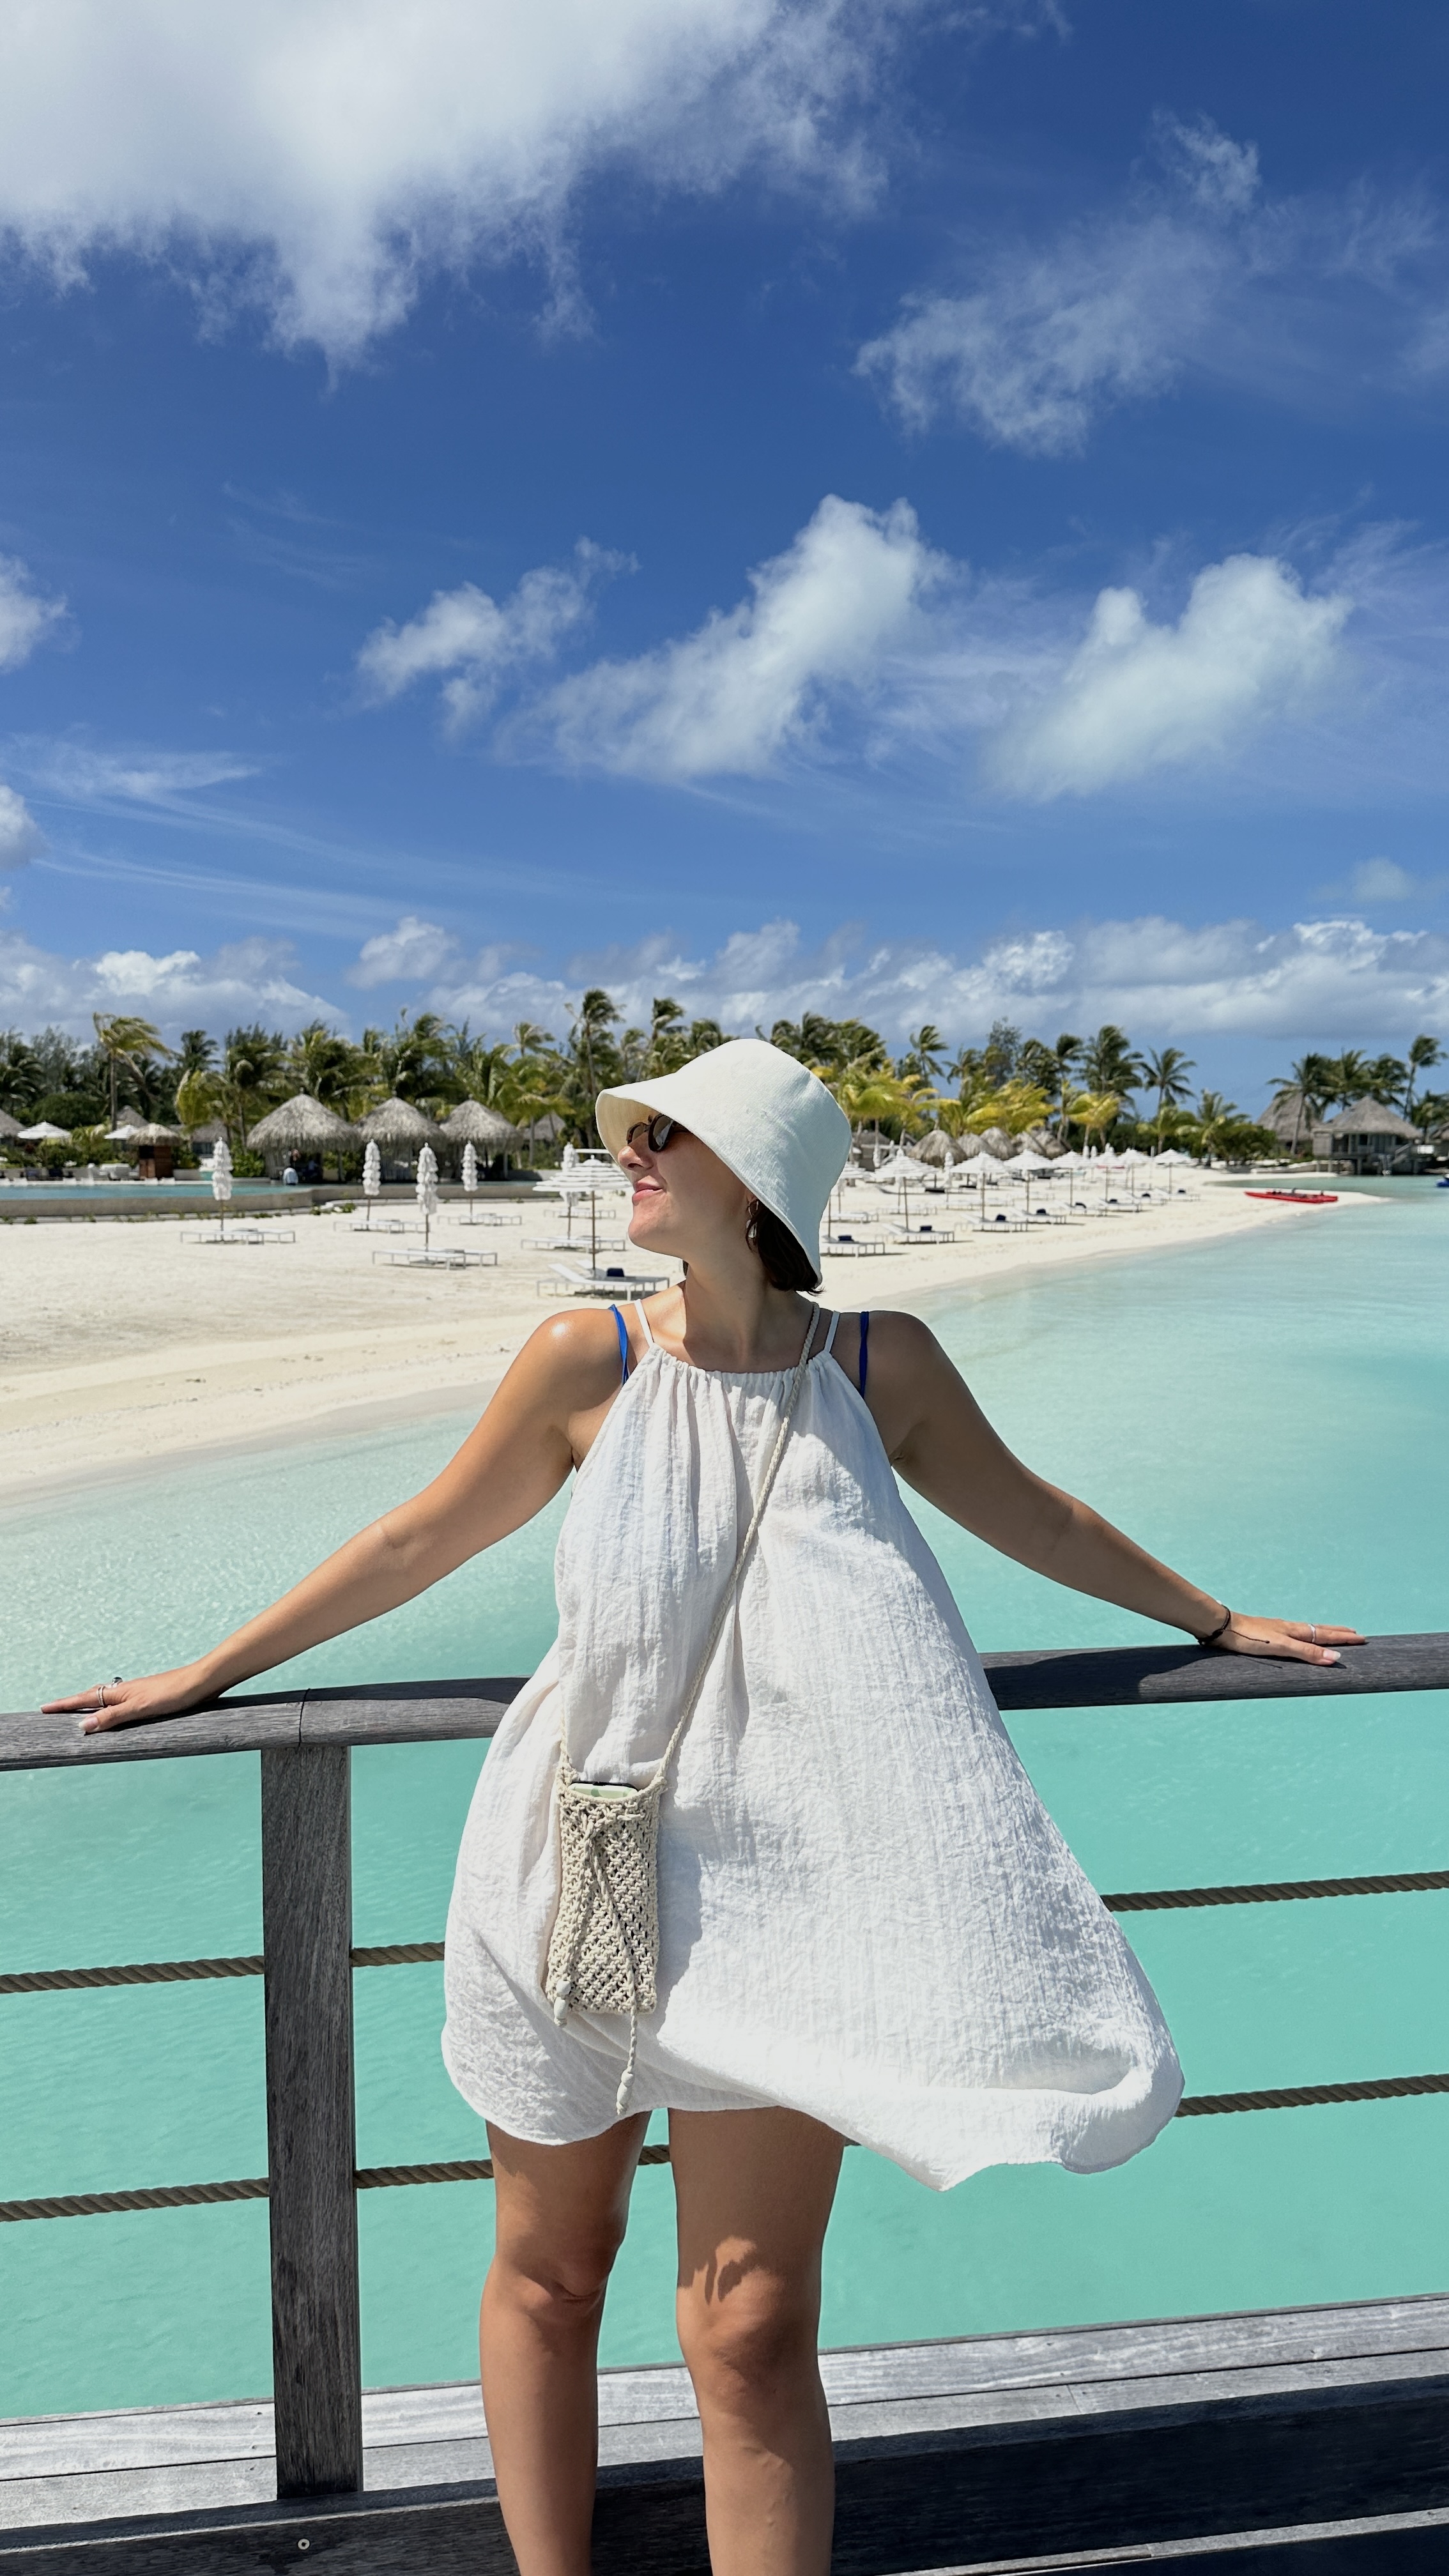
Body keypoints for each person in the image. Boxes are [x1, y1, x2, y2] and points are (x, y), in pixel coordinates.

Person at [45, 1039, 1360, 2576]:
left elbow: (1041, 1516)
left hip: (786, 1900)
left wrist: (1214, 1619)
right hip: (578, 1866)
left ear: (760, 1181)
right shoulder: (584, 1357)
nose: (633, 1152)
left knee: (749, 2323)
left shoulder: (879, 1367)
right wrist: (207, 1672)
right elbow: (415, 1540)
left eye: (671, 1134)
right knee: (554, 2274)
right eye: (638, 1133)